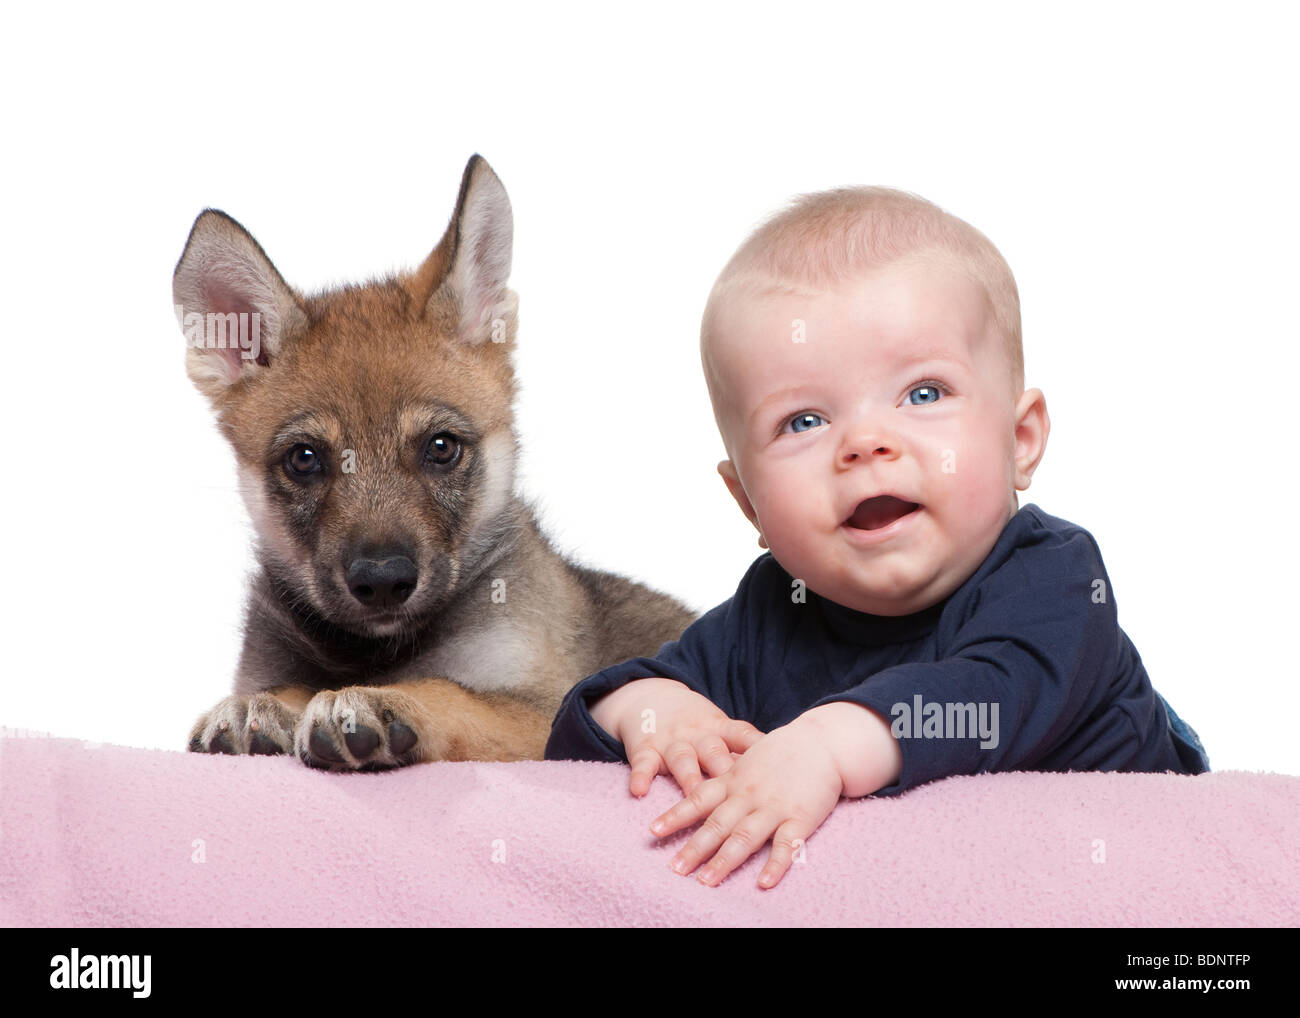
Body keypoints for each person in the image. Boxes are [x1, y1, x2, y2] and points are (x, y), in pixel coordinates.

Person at [544, 185, 1209, 889]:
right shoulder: (773, 613)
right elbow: (577, 736)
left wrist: (827, 747)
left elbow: (982, 702)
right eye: (803, 421)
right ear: (749, 504)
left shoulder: (1056, 580)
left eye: (923, 394)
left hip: (1120, 872)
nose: (865, 442)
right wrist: (656, 713)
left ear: (1020, 440)